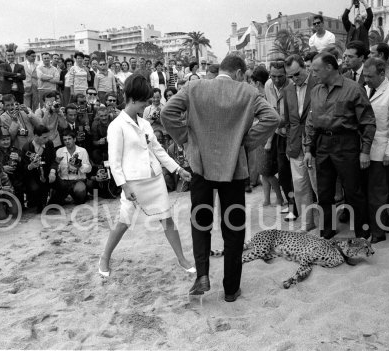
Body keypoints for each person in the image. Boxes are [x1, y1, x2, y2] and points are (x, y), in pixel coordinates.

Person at [161, 55, 279, 302]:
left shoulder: (194, 87)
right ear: (238, 73)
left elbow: (167, 112)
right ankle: (230, 289)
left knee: (200, 221)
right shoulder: (247, 91)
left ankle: (202, 275)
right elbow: (272, 118)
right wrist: (245, 143)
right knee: (233, 228)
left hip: (201, 166)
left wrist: (186, 139)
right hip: (234, 167)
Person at [99, 73, 195, 278]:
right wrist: (124, 186)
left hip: (155, 179)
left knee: (167, 219)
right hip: (133, 183)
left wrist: (178, 169)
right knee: (124, 222)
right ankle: (105, 257)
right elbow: (114, 162)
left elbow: (158, 150)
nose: (147, 105)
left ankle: (181, 258)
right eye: (144, 102)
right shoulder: (116, 126)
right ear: (132, 99)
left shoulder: (145, 124)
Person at [304, 53, 375, 240]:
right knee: (324, 191)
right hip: (322, 144)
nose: (313, 75)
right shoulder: (316, 91)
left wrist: (365, 151)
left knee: (353, 190)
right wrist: (308, 149)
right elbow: (311, 122)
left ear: (329, 67)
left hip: (346, 144)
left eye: (316, 70)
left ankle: (362, 232)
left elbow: (368, 122)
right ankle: (327, 232)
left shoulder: (354, 89)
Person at [362, 58, 389, 243]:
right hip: (365, 149)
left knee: (377, 193)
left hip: (382, 152)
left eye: (370, 76)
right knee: (370, 191)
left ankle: (378, 233)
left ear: (382, 74)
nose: (366, 79)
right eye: (364, 75)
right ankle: (385, 223)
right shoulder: (364, 89)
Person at [282, 54, 318, 229]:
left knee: (319, 186)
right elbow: (289, 121)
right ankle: (307, 222)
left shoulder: (318, 83)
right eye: (290, 76)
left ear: (305, 68)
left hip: (316, 143)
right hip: (296, 144)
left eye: (297, 74)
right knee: (300, 186)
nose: (294, 79)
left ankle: (327, 223)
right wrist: (290, 142)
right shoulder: (288, 90)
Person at [265, 60, 297, 218]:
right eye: (273, 76)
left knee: (294, 174)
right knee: (283, 174)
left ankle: (297, 207)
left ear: (287, 74)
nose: (276, 80)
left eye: (280, 76)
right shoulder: (268, 85)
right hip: (277, 134)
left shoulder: (292, 86)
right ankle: (291, 205)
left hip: (292, 135)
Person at [250, 66, 284, 207]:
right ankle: (267, 199)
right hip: (259, 136)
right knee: (262, 171)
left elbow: (272, 120)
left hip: (267, 137)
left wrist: (269, 141)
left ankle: (279, 197)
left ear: (257, 83)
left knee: (268, 171)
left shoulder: (266, 96)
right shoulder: (260, 95)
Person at [21, 125, 57, 212]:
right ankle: (36, 203)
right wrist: (31, 166)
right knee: (35, 189)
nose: (47, 139)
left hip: (47, 173)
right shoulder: (27, 147)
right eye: (44, 137)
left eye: (48, 136)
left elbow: (53, 160)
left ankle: (53, 202)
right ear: (36, 136)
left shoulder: (49, 144)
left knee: (60, 184)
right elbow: (23, 167)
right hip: (33, 176)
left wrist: (52, 171)